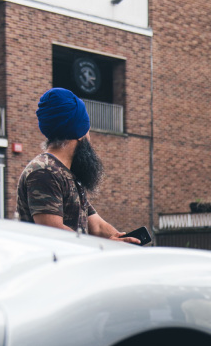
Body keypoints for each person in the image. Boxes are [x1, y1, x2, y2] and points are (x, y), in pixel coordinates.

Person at [17, 88, 138, 242]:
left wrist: (123, 240)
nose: (89, 136)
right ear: (80, 134)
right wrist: (104, 246)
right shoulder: (44, 171)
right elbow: (53, 232)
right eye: (88, 130)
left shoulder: (68, 174)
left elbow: (97, 227)